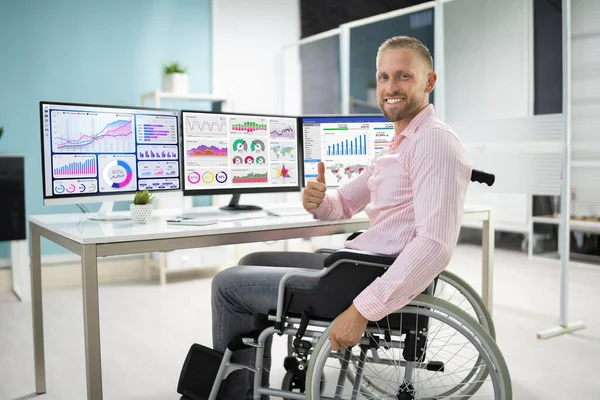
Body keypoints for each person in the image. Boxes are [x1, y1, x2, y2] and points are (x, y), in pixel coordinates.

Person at [210, 35, 472, 399]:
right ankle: (249, 385)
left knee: (227, 286)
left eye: (403, 77)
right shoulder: (401, 144)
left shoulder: (434, 143)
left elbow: (434, 246)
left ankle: (235, 395)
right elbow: (344, 204)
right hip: (356, 267)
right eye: (383, 78)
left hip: (363, 280)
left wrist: (362, 310)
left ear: (429, 82)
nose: (390, 88)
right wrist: (317, 200)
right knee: (252, 260)